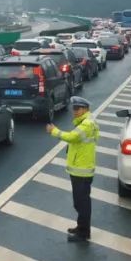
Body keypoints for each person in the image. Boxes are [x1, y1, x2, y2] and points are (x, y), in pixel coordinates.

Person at [45, 96, 99, 242]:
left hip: (82, 170)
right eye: (74, 108)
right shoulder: (85, 122)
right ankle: (81, 227)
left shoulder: (86, 124)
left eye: (78, 108)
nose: (74, 111)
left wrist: (54, 131)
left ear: (85, 109)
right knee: (80, 201)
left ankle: (83, 233)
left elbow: (72, 137)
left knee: (81, 202)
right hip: (79, 169)